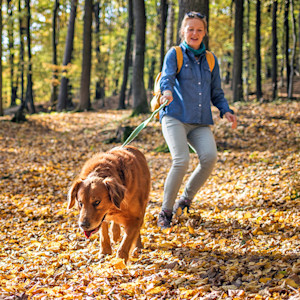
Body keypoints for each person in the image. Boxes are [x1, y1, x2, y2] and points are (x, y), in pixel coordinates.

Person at [157, 11, 237, 229]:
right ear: (183, 31)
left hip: (200, 121)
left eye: (199, 29)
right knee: (181, 160)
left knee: (210, 158)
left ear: (204, 33)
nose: (194, 33)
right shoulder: (175, 54)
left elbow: (216, 92)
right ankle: (165, 211)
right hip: (174, 116)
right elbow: (167, 77)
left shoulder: (210, 59)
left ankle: (184, 202)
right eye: (190, 29)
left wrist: (225, 110)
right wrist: (166, 92)